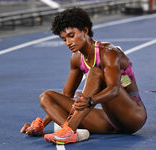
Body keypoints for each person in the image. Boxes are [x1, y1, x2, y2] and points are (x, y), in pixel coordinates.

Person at [20, 7, 147, 144]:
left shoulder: (108, 52)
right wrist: (42, 124)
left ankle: (70, 129)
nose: (68, 43)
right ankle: (72, 132)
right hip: (109, 120)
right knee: (46, 97)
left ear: (85, 31)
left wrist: (90, 100)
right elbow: (67, 94)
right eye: (64, 39)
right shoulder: (76, 59)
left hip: (133, 115)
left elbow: (114, 90)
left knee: (95, 72)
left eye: (71, 36)